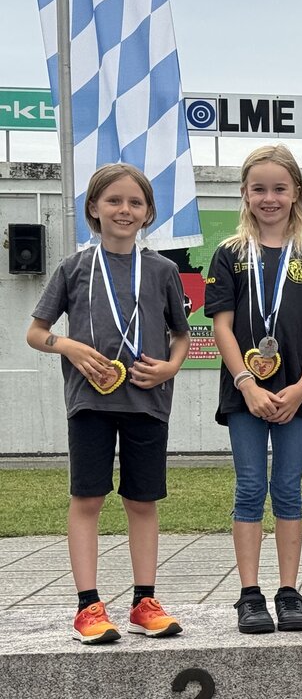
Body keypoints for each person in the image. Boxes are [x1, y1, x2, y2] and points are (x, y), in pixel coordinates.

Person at [26, 164, 189, 643]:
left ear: (148, 213)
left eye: (135, 202)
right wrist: (70, 347)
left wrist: (170, 368)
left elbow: (181, 335)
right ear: (93, 208)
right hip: (89, 403)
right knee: (88, 498)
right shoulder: (73, 268)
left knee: (142, 500)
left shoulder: (162, 270)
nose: (124, 210)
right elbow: (35, 332)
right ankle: (88, 607)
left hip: (147, 402)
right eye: (114, 200)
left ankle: (144, 602)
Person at [204, 145, 302, 634]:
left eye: (279, 188)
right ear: (245, 193)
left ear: (296, 192)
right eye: (259, 188)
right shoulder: (230, 254)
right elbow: (221, 325)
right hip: (244, 394)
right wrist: (246, 383)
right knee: (250, 487)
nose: (269, 198)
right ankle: (249, 595)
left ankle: (288, 592)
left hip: (294, 393)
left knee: (288, 489)